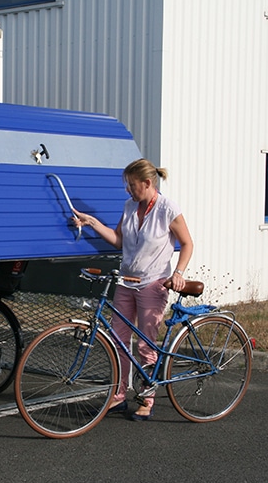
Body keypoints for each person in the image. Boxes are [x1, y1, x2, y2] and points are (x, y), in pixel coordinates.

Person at [71, 158, 193, 421]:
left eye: (131, 185)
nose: (128, 190)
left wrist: (179, 272)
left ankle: (146, 399)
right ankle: (117, 397)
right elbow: (118, 241)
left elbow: (187, 243)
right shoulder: (129, 207)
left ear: (147, 183)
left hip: (153, 283)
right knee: (118, 342)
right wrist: (91, 222)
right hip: (126, 282)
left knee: (146, 345)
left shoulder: (167, 209)